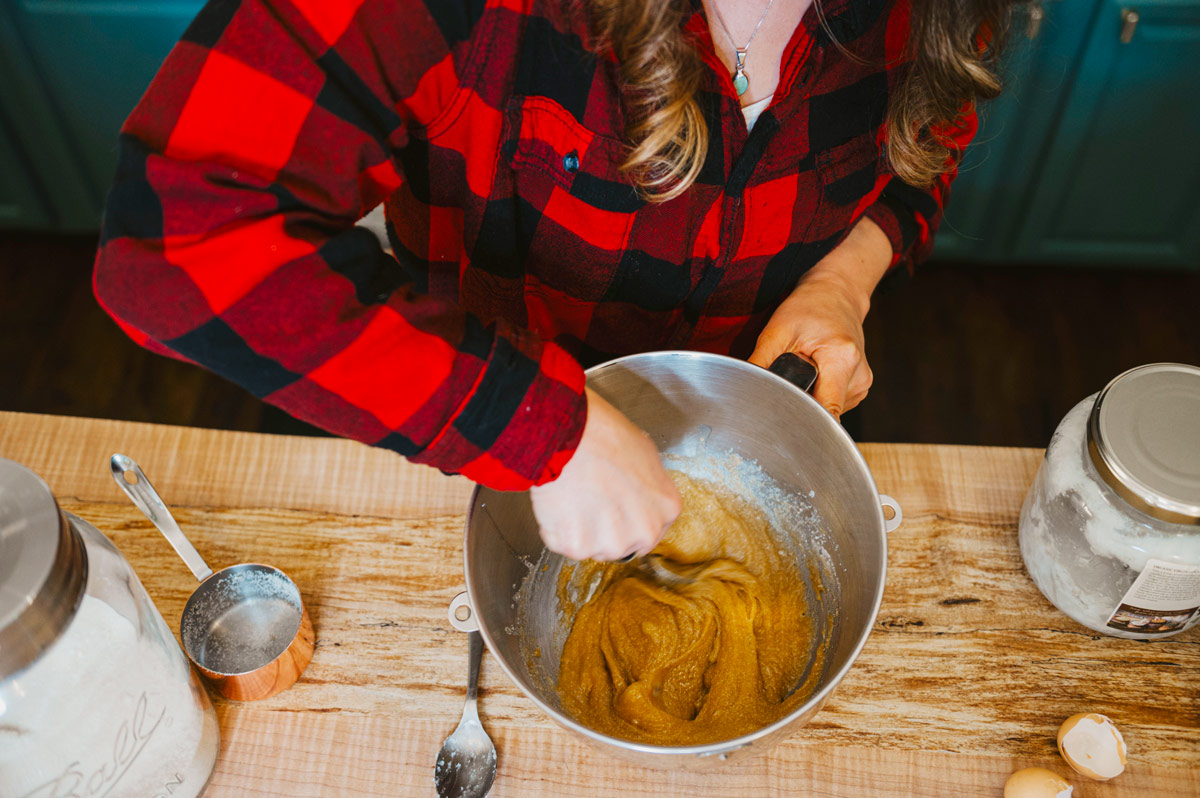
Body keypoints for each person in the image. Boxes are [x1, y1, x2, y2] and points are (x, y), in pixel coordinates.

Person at [94, 0, 1012, 561]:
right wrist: (545, 429)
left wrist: (847, 278)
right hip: (473, 427)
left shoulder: (939, 9)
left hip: (749, 400)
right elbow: (177, 243)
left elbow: (925, 151)